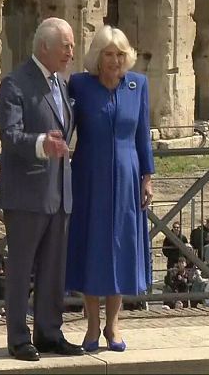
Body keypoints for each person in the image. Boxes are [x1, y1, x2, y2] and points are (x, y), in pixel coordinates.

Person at [0, 17, 82, 361]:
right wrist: (41, 144)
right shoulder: (15, 84)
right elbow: (10, 135)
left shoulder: (61, 84)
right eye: (66, 46)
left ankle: (49, 332)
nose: (71, 53)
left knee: (52, 268)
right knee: (21, 269)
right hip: (27, 193)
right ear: (45, 47)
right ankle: (18, 337)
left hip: (59, 191)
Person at [65, 25, 155, 353]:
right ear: (97, 57)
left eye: (119, 54)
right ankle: (90, 325)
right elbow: (64, 123)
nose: (115, 60)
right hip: (89, 175)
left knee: (120, 248)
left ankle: (113, 324)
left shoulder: (138, 85)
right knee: (93, 246)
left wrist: (148, 176)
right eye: (108, 54)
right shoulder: (80, 85)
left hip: (129, 176)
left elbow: (142, 134)